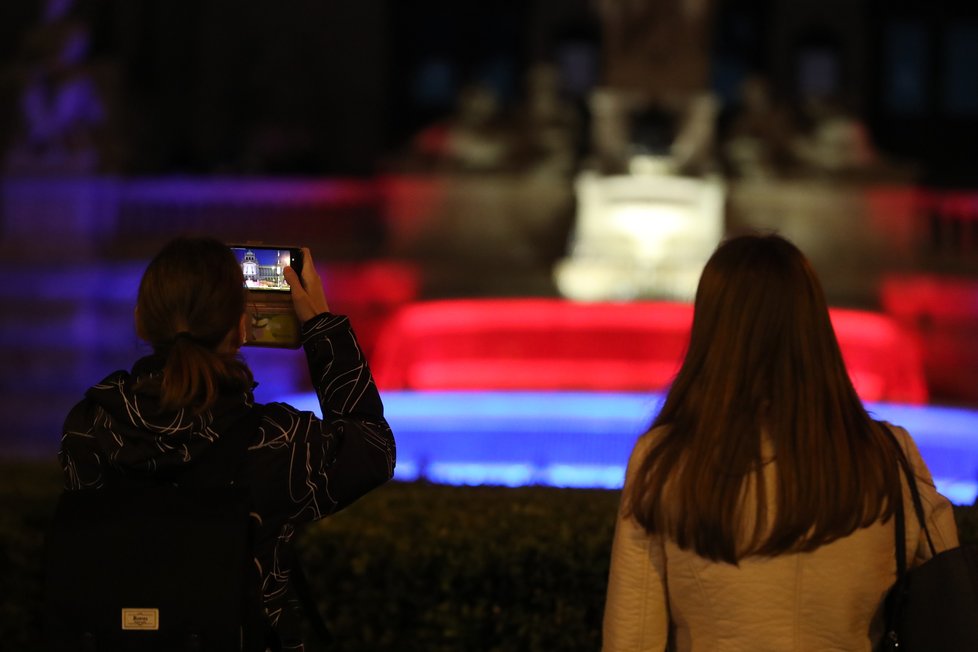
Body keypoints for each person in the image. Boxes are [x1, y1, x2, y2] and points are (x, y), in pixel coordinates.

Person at [602, 234, 958, 651]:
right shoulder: (888, 456)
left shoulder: (665, 461)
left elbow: (632, 637)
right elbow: (949, 600)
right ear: (813, 327)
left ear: (713, 330)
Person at [59, 236, 396, 650]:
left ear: (141, 322)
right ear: (241, 328)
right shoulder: (278, 442)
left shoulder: (87, 430)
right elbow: (373, 448)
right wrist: (320, 326)